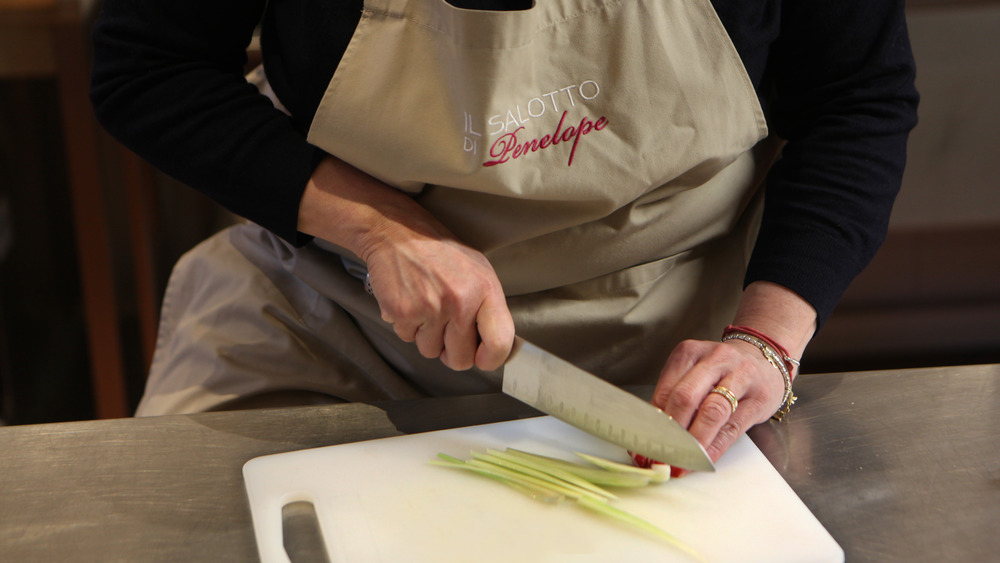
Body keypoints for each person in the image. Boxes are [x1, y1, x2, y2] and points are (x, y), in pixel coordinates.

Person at [90, 0, 918, 467]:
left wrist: (763, 341)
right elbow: (144, 65)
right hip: (336, 318)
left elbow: (857, 96)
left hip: (678, 343)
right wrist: (380, 228)